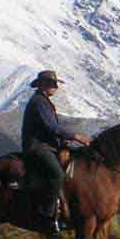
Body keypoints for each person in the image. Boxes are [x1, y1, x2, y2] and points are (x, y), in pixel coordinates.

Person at [21, 70, 90, 230]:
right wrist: (76, 136)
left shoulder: (43, 102)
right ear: (44, 84)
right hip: (37, 147)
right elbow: (51, 127)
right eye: (53, 84)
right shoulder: (39, 102)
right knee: (57, 174)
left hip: (48, 146)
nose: (56, 87)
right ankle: (45, 215)